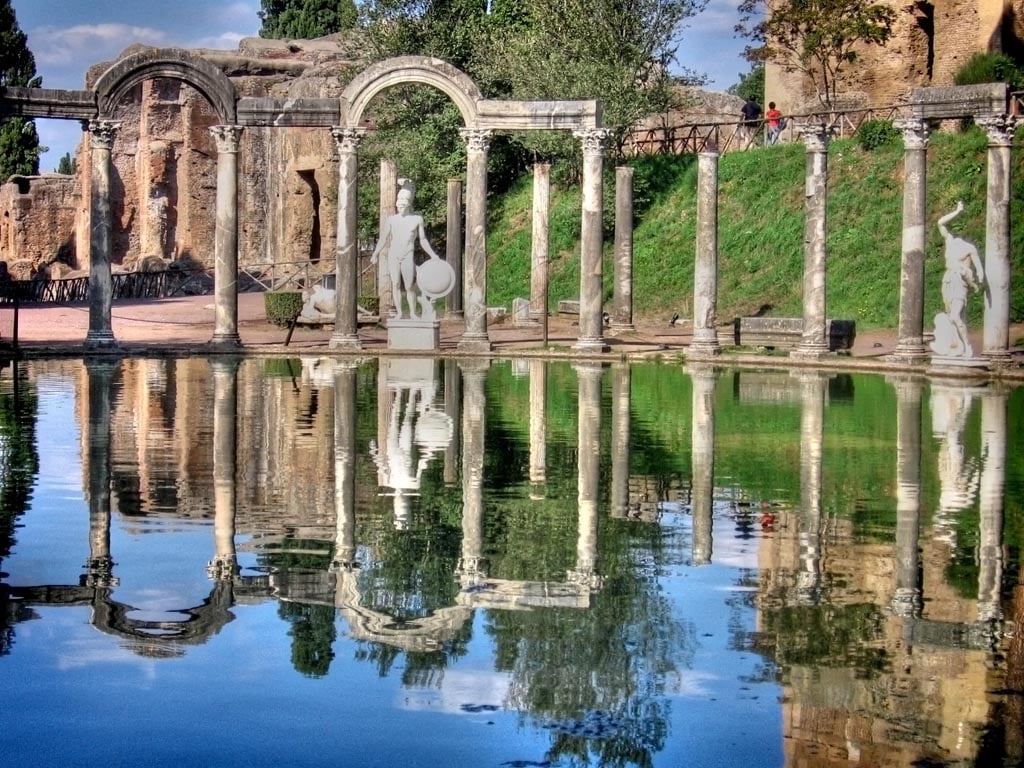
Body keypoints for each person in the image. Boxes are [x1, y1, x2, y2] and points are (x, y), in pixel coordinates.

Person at [371, 179, 441, 320]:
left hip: (408, 254)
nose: (400, 206)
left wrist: (433, 254)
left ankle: (413, 313)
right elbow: (383, 238)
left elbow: (423, 240)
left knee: (409, 286)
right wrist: (375, 254)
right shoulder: (392, 220)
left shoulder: (417, 219)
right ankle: (400, 313)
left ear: (408, 204)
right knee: (395, 283)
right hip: (394, 255)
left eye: (403, 203)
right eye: (398, 203)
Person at [932, 200, 984, 356]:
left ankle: (967, 346)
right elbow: (940, 223)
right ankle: (957, 346)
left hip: (961, 281)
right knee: (951, 316)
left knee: (955, 315)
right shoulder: (950, 242)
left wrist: (978, 281)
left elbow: (979, 270)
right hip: (948, 280)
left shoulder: (969, 248)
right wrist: (957, 211)